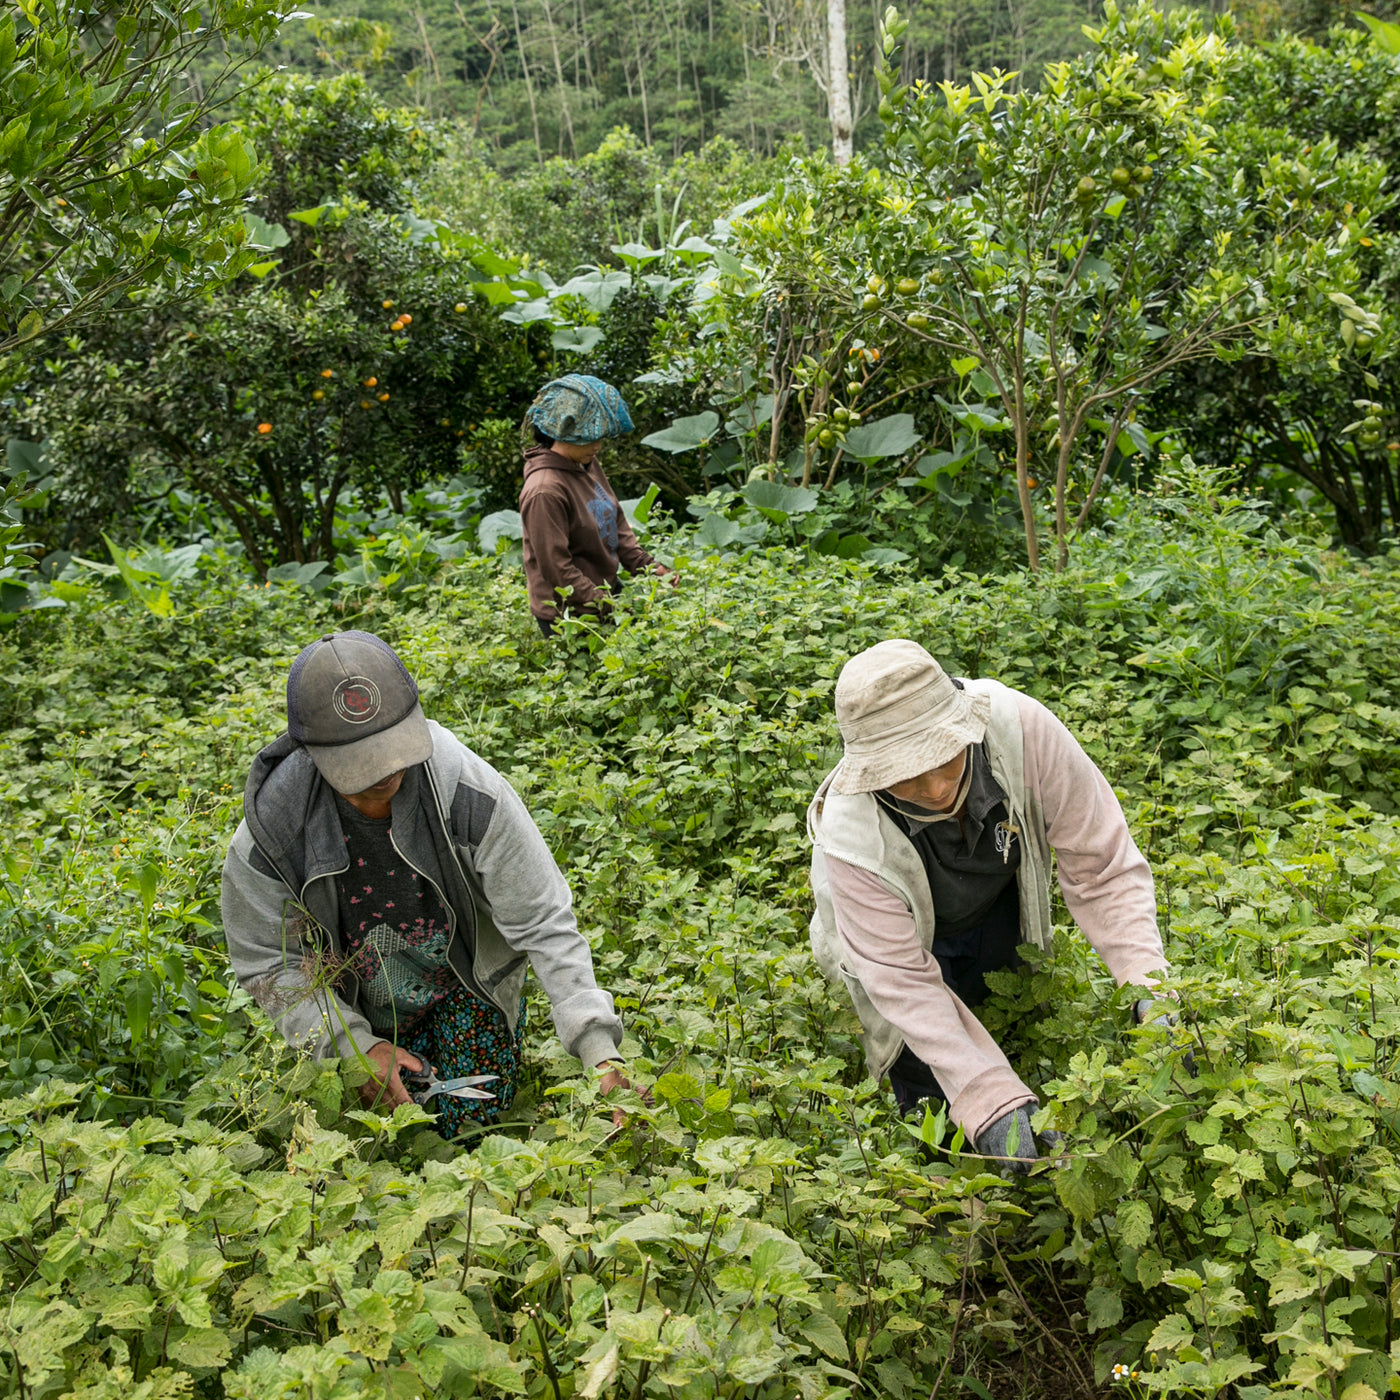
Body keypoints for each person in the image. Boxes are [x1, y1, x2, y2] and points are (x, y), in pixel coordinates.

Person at [221, 629, 630, 1137]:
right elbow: (267, 959)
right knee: (379, 1135)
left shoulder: (469, 792)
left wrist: (598, 1050)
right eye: (358, 761)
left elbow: (542, 919)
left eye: (392, 747)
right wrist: (351, 1045)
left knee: (473, 1126)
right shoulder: (271, 834)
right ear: (309, 752)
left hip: (464, 978)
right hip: (350, 994)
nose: (384, 771)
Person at [807, 639, 1175, 1173]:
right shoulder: (850, 836)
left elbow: (1102, 865)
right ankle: (957, 1203)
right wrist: (984, 1097)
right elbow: (904, 983)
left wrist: (1149, 986)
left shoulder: (1019, 729)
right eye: (906, 773)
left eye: (945, 756)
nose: (934, 787)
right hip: (904, 943)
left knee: (1007, 1014)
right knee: (935, 1088)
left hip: (992, 903)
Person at [518, 374, 671, 635]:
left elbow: (614, 521)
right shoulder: (544, 491)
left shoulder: (584, 462)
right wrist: (609, 605)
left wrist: (648, 566)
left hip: (604, 595)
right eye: (592, 439)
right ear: (564, 433)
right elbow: (558, 569)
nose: (599, 446)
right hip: (570, 616)